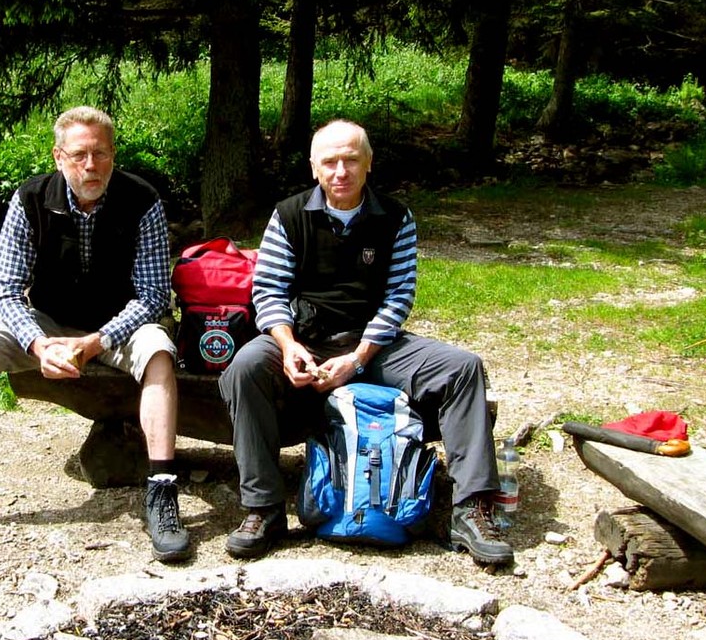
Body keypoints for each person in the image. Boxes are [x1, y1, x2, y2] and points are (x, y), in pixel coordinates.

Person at [0, 106, 190, 563]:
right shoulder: (31, 199)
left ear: (114, 154)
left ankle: (161, 489)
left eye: (101, 154)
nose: (90, 166)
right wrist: (37, 342)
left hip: (121, 324)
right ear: (58, 156)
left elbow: (152, 295)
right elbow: (4, 289)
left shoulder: (142, 200)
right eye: (79, 155)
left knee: (158, 352)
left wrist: (97, 341)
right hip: (48, 322)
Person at [218, 119, 512, 565]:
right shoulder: (290, 214)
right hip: (307, 340)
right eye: (331, 161)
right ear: (314, 166)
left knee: (462, 366)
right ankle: (264, 508)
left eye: (351, 160)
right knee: (244, 366)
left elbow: (398, 297)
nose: (341, 171)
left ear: (368, 164)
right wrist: (288, 344)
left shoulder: (395, 218)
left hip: (375, 345)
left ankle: (472, 509)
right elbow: (269, 291)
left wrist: (357, 358)